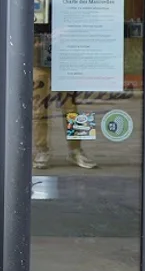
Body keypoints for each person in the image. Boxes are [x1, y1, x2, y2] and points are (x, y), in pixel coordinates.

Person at [32, 23, 97, 169]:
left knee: (72, 108)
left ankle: (76, 150)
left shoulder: (66, 3)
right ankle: (42, 150)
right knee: (39, 109)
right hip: (38, 59)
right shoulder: (38, 3)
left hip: (65, 60)